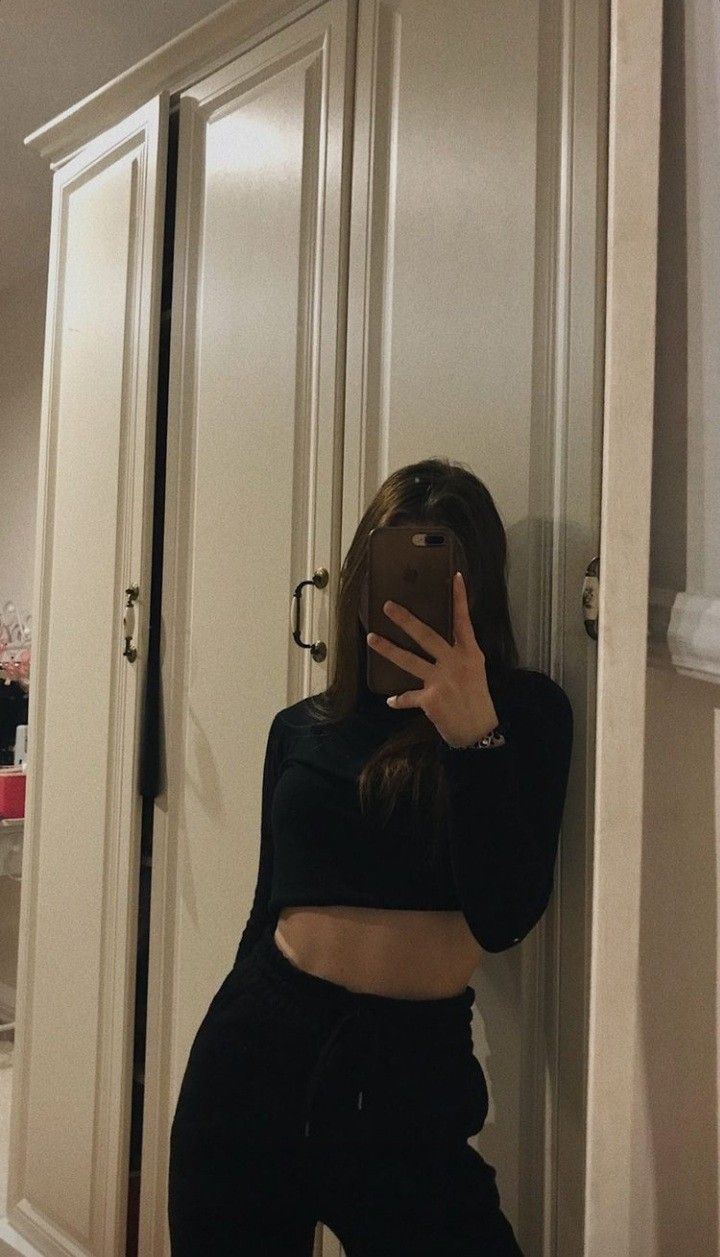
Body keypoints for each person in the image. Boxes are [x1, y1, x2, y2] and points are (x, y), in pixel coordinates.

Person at [167, 457, 574, 1255]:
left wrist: (474, 737)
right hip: (251, 1062)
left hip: (408, 1084)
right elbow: (267, 906)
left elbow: (506, 914)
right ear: (359, 583)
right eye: (387, 574)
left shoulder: (526, 716)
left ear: (476, 593)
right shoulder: (302, 726)